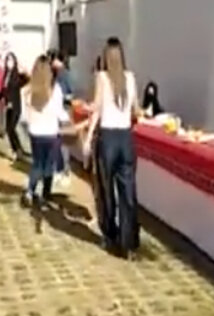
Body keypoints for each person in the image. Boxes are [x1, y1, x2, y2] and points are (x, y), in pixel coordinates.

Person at [84, 37, 142, 260]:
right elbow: (136, 110)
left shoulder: (102, 78)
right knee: (128, 192)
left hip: (108, 138)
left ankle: (110, 234)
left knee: (106, 190)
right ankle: (129, 243)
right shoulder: (131, 78)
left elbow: (96, 107)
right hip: (126, 138)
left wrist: (86, 112)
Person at [22, 55, 73, 208]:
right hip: (51, 132)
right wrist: (69, 121)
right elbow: (59, 112)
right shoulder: (55, 90)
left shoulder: (28, 90)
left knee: (37, 164)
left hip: (35, 132)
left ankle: (30, 191)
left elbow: (25, 116)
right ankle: (46, 193)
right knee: (49, 165)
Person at [48, 50, 74, 186]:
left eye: (53, 59)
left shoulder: (65, 74)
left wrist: (61, 97)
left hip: (64, 110)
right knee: (57, 142)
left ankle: (66, 170)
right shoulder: (55, 74)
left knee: (64, 143)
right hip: (57, 111)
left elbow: (71, 93)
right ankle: (58, 169)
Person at [0, 52, 28, 161]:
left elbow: (26, 79)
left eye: (10, 60)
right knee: (8, 129)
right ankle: (16, 150)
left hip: (15, 106)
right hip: (8, 106)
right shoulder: (6, 75)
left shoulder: (17, 76)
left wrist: (23, 69)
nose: (8, 62)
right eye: (7, 60)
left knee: (12, 127)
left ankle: (18, 149)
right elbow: (3, 90)